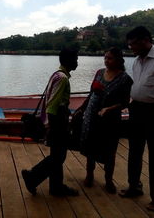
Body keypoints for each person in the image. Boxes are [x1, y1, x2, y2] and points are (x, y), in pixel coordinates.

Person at [21, 48, 79, 197]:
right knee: (59, 156)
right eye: (75, 59)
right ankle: (32, 176)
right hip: (57, 122)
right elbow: (52, 105)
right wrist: (50, 127)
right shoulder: (63, 78)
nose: (77, 62)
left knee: (57, 154)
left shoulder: (57, 74)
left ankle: (56, 187)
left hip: (56, 120)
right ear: (68, 61)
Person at [119, 26, 154, 212]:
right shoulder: (137, 61)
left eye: (133, 43)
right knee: (134, 151)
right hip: (136, 109)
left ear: (146, 40)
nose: (131, 48)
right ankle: (134, 186)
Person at [79, 47, 133, 194]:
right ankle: (89, 175)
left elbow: (125, 102)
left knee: (109, 151)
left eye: (110, 58)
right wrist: (82, 109)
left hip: (110, 121)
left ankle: (108, 180)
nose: (106, 61)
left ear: (119, 60)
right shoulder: (99, 73)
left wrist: (109, 109)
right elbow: (91, 94)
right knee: (90, 148)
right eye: (105, 58)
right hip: (93, 117)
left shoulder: (125, 79)